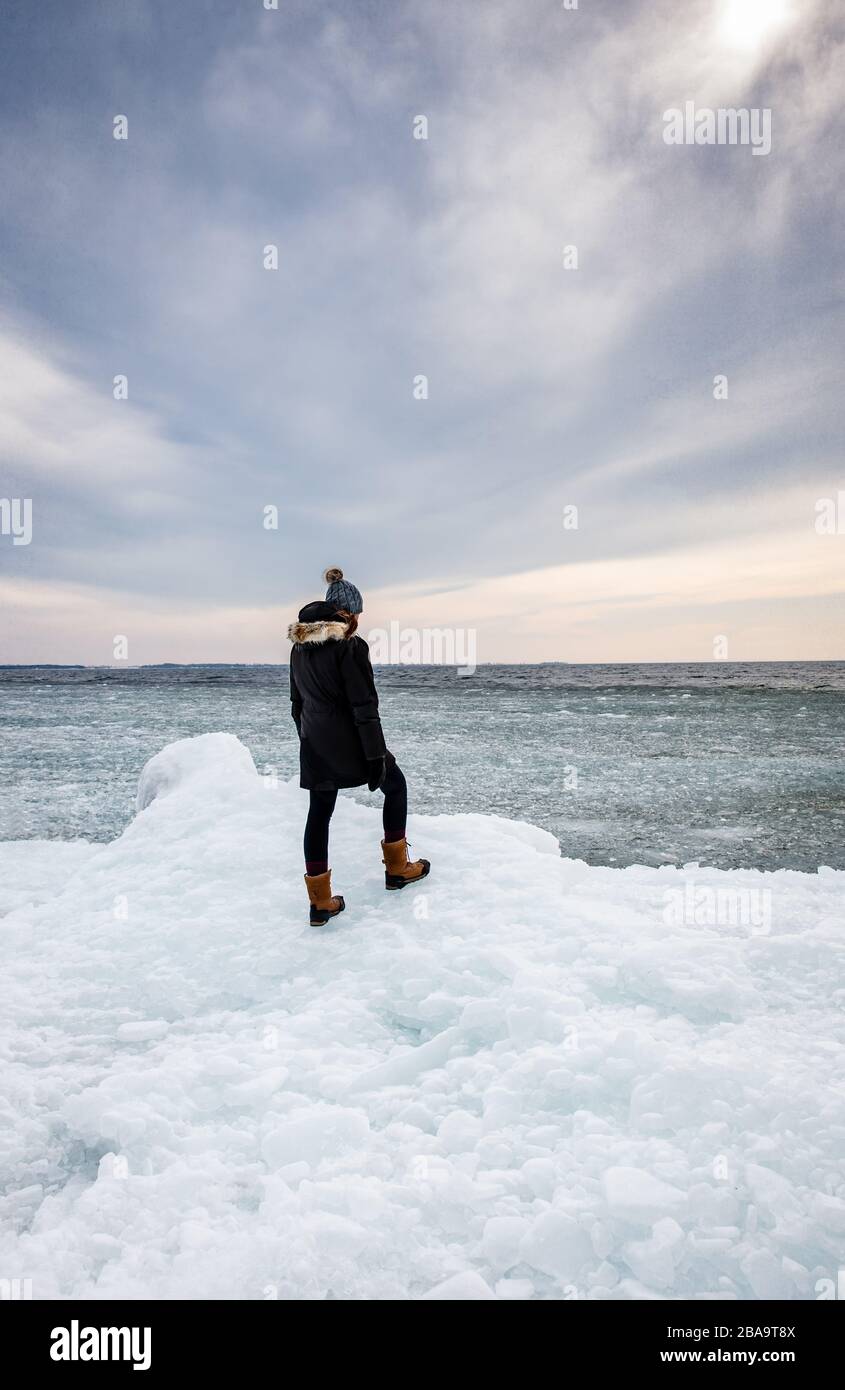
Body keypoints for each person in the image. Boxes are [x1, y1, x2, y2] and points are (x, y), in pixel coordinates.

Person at [288, 567, 430, 925]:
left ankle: (319, 903)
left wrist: (308, 739)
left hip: (315, 742)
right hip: (351, 740)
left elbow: (296, 703)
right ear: (346, 613)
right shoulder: (350, 647)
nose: (360, 620)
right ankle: (398, 869)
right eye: (358, 613)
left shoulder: (299, 647)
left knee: (319, 813)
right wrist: (375, 755)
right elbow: (364, 707)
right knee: (395, 786)